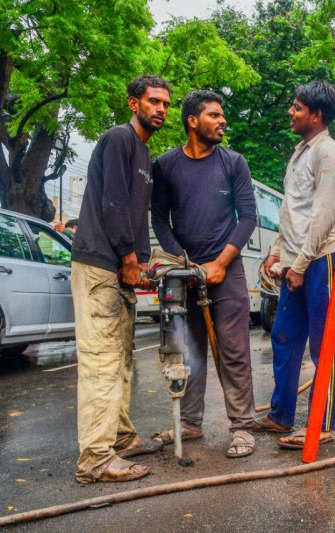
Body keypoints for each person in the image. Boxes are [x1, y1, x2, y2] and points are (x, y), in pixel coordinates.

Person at [70, 75, 171, 484]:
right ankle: (95, 459)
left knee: (121, 358)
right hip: (101, 263)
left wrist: (143, 260)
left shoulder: (145, 156)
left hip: (121, 269)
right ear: (134, 103)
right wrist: (130, 257)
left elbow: (135, 211)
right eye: (153, 102)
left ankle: (121, 438)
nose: (161, 108)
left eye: (165, 103)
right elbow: (113, 203)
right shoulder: (119, 139)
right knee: (102, 360)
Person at [151, 89, 258, 459]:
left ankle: (242, 426)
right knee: (189, 349)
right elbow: (159, 219)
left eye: (222, 115)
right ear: (192, 121)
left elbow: (248, 217)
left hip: (226, 270)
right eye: (214, 115)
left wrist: (221, 263)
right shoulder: (165, 165)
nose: (222, 121)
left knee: (233, 350)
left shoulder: (233, 163)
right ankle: (191, 424)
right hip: (184, 272)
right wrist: (181, 261)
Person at [249, 81, 335, 449]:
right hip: (296, 260)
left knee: (323, 344)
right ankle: (280, 415)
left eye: (296, 107)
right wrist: (277, 252)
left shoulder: (328, 153)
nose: (290, 112)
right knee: (284, 336)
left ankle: (321, 425)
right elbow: (293, 212)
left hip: (321, 259)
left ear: (316, 115)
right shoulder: (299, 153)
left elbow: (323, 216)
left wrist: (301, 263)